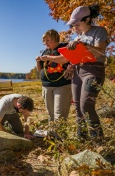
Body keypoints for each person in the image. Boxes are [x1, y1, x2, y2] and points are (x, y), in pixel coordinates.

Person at [40, 5, 108, 142]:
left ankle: (98, 140)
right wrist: (50, 59)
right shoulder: (77, 38)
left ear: (87, 19)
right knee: (77, 107)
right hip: (78, 72)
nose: (75, 28)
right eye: (73, 25)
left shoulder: (99, 31)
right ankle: (81, 138)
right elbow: (65, 59)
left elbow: (100, 51)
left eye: (77, 24)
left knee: (86, 105)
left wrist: (84, 45)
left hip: (94, 70)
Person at [35, 29, 72, 125]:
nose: (45, 43)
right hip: (46, 86)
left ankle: (60, 137)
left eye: (48, 40)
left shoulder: (63, 47)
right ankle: (52, 134)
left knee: (60, 114)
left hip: (62, 85)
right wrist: (38, 61)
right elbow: (40, 70)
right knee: (51, 114)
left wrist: (47, 57)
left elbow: (64, 59)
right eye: (44, 41)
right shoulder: (45, 51)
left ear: (55, 38)